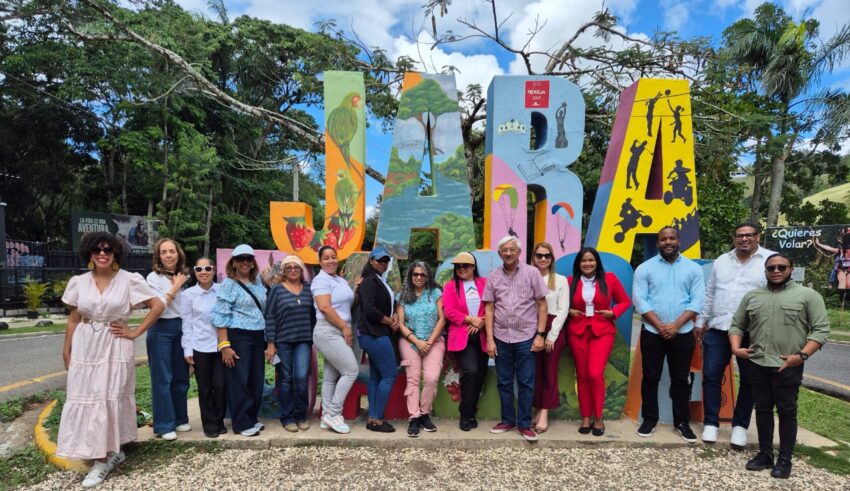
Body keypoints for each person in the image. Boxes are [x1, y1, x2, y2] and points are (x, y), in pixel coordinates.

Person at [58, 232, 164, 488]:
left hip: (115, 345)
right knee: (87, 395)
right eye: (97, 250)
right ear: (89, 254)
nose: (102, 254)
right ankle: (108, 451)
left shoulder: (129, 280)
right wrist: (66, 349)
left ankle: (103, 459)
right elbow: (74, 318)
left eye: (108, 250)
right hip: (85, 346)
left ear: (116, 253)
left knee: (108, 396)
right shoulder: (79, 282)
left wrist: (135, 331)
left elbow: (158, 305)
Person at [730, 253, 830, 479]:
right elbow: (737, 325)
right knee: (762, 409)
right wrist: (736, 348)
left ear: (791, 269)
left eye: (781, 267)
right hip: (758, 363)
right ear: (765, 271)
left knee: (787, 412)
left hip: (788, 365)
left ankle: (785, 460)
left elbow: (821, 330)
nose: (776, 271)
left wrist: (801, 356)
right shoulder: (753, 296)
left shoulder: (808, 296)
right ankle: (765, 455)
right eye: (771, 267)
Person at [696, 222, 774, 446]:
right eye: (740, 235)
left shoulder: (769, 260)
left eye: (749, 235)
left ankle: (740, 426)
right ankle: (711, 423)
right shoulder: (722, 260)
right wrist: (701, 320)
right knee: (711, 376)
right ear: (734, 238)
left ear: (758, 236)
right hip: (719, 328)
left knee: (750, 380)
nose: (744, 239)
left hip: (752, 332)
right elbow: (710, 292)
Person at [633, 226, 704, 442]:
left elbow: (697, 301)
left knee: (681, 379)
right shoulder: (644, 268)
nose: (668, 242)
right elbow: (640, 301)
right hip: (652, 332)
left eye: (672, 238)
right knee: (650, 377)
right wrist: (661, 326)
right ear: (657, 243)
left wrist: (675, 325)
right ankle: (649, 419)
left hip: (683, 332)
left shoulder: (693, 269)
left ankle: (682, 423)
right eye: (663, 239)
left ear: (678, 241)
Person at [484, 235, 549, 442]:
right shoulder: (493, 276)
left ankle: (524, 424)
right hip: (501, 337)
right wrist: (490, 340)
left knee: (526, 382)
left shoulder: (532, 273)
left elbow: (542, 305)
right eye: (504, 250)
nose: (508, 253)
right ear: (499, 253)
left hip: (526, 337)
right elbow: (489, 308)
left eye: (512, 249)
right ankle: (507, 420)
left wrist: (540, 335)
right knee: (503, 382)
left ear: (519, 252)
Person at [567, 247, 631, 436]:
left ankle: (598, 417)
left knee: (595, 374)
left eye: (591, 260)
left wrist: (613, 313)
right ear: (578, 264)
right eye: (583, 261)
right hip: (578, 331)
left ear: (597, 262)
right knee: (582, 375)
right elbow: (560, 304)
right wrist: (569, 311)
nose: (587, 264)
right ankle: (586, 417)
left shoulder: (609, 279)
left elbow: (625, 302)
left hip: (602, 331)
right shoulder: (570, 281)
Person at [211, 244, 268, 437]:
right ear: (233, 263)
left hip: (258, 336)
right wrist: (224, 345)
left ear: (253, 262)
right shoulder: (228, 284)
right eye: (240, 259)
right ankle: (242, 423)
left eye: (248, 259)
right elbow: (221, 315)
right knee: (239, 380)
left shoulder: (257, 282)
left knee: (255, 379)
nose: (245, 262)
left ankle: (251, 418)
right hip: (239, 336)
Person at [264, 255, 316, 432]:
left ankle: (301, 415)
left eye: (296, 267)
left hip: (303, 340)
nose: (293, 270)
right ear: (284, 271)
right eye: (289, 267)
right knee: (285, 378)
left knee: (301, 377)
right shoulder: (277, 290)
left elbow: (313, 316)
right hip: (282, 341)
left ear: (301, 270)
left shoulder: (308, 289)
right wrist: (270, 343)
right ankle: (287, 417)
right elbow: (270, 316)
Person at [146, 238, 190, 440]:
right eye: (164, 252)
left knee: (181, 377)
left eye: (172, 251)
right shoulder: (153, 278)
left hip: (181, 327)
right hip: (161, 328)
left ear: (178, 254)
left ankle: (180, 419)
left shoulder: (184, 275)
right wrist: (175, 286)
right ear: (159, 256)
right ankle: (164, 425)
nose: (169, 255)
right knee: (162, 378)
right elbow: (159, 307)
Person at [396, 261, 446, 437]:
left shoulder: (436, 293)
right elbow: (401, 324)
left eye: (422, 274)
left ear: (427, 276)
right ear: (410, 276)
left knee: (431, 378)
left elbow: (442, 318)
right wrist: (417, 341)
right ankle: (414, 418)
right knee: (413, 379)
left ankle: (425, 413)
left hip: (434, 341)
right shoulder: (402, 296)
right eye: (415, 274)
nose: (418, 277)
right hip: (410, 341)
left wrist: (429, 342)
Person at [312, 245, 358, 434]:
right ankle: (334, 413)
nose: (331, 261)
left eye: (333, 257)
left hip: (338, 329)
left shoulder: (339, 280)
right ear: (320, 261)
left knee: (331, 377)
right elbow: (325, 307)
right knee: (351, 370)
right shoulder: (320, 280)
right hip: (328, 330)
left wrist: (356, 288)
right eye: (326, 258)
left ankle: (326, 415)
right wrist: (345, 327)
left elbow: (344, 303)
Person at [180, 257, 226, 438]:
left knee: (221, 385)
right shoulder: (188, 295)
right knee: (205, 387)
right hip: (200, 346)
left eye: (207, 268)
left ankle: (220, 420)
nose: (203, 272)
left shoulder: (222, 290)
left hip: (221, 346)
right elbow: (187, 324)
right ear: (195, 272)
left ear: (213, 270)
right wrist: (187, 349)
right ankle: (210, 424)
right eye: (199, 269)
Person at [442, 252, 488, 432]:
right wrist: (470, 319)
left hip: (483, 335)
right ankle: (465, 413)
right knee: (471, 371)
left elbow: (493, 306)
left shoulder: (485, 283)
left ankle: (471, 412)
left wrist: (482, 321)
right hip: (462, 336)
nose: (461, 269)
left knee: (481, 374)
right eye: (458, 266)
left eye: (465, 265)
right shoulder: (450, 287)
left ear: (473, 267)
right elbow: (449, 311)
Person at [357, 246, 399, 433]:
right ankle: (377, 418)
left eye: (385, 261)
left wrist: (394, 313)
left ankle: (373, 418)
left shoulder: (380, 280)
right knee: (389, 375)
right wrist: (390, 321)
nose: (383, 263)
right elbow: (369, 309)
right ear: (371, 261)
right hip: (374, 333)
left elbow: (389, 302)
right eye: (379, 260)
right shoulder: (369, 281)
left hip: (376, 333)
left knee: (376, 375)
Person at [529, 242, 569, 434]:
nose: (543, 259)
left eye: (547, 255)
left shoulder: (560, 280)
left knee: (549, 373)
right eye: (539, 255)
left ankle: (544, 412)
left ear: (552, 259)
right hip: (531, 328)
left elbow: (563, 309)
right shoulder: (528, 278)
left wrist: (551, 335)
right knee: (535, 373)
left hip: (553, 328)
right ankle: (537, 409)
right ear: (533, 258)